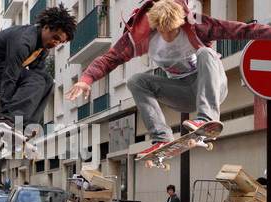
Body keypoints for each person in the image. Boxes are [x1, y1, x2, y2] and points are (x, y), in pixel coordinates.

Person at [65, 0, 271, 157]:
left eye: (173, 31)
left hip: (211, 87)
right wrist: (86, 78)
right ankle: (162, 137)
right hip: (180, 92)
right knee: (135, 80)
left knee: (205, 53)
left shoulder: (197, 24)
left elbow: (239, 30)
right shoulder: (140, 38)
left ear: (180, 22)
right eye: (163, 32)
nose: (169, 37)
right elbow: (110, 58)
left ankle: (207, 119)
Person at [0, 4, 77, 133]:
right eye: (55, 37)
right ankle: (8, 121)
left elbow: (37, 85)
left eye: (60, 42)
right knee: (36, 80)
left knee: (47, 81)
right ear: (45, 28)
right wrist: (5, 116)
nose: (55, 44)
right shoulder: (24, 41)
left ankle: (26, 127)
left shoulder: (42, 49)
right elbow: (9, 77)